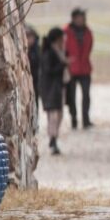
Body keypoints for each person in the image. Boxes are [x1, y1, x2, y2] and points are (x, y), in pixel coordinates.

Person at [64, 7, 94, 129]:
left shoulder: (88, 32)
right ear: (74, 18)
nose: (82, 19)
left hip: (85, 68)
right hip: (71, 69)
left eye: (83, 17)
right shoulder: (65, 32)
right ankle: (74, 119)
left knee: (86, 95)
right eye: (80, 17)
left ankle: (86, 120)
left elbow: (90, 46)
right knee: (71, 96)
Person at [40, 27, 68, 155]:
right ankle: (53, 138)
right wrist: (62, 65)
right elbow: (49, 70)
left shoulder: (59, 51)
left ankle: (54, 137)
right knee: (53, 115)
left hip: (58, 87)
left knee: (59, 114)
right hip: (50, 88)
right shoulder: (49, 53)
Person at [26, 25, 40, 112]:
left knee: (35, 101)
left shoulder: (37, 50)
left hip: (35, 80)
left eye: (30, 37)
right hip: (26, 80)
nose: (29, 40)